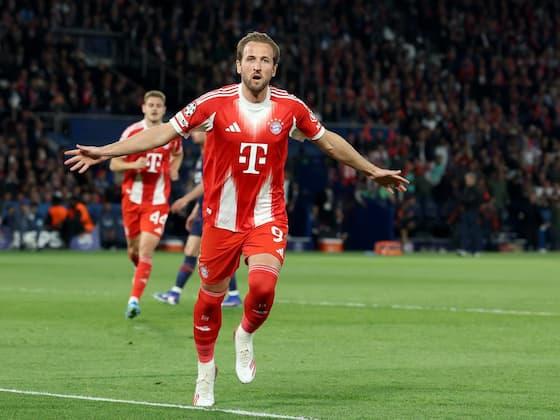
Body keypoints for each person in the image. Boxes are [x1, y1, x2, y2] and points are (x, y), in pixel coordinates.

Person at [65, 32, 409, 407]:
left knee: (262, 287)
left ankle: (244, 334)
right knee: (209, 300)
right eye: (251, 59)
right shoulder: (214, 103)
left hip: (266, 215)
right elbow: (163, 132)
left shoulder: (290, 108)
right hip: (220, 221)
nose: (257, 66)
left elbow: (328, 141)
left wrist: (371, 170)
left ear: (274, 69)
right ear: (238, 65)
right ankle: (205, 371)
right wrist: (106, 152)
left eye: (265, 60)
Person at [109, 90, 183, 319]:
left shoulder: (171, 133)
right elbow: (114, 164)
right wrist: (133, 166)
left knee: (146, 251)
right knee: (133, 250)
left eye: (158, 106)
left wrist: (174, 169)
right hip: (132, 199)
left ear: (163, 109)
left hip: (158, 202)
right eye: (150, 105)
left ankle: (133, 300)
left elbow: (178, 153)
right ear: (143, 108)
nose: (154, 109)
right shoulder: (132, 132)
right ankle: (139, 269)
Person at [153, 131, 242, 307]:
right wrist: (195, 210)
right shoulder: (202, 154)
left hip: (218, 209)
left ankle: (233, 295)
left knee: (216, 255)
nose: (193, 133)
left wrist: (185, 200)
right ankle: (175, 293)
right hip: (204, 209)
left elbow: (208, 183)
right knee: (191, 249)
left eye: (197, 129)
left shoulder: (215, 151)